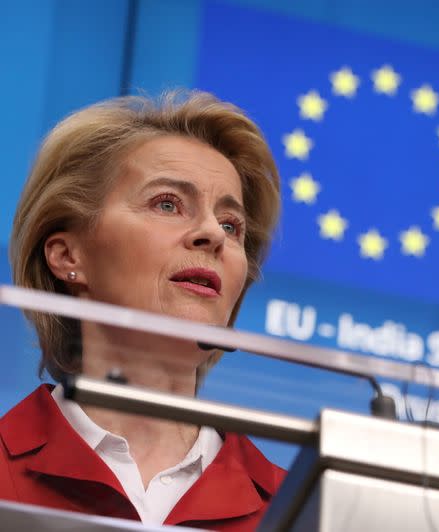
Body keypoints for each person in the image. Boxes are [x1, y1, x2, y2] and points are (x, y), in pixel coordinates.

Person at [0, 91, 285, 530]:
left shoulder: (300, 512)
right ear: (67, 256)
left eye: (232, 225)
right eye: (167, 203)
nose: (213, 234)